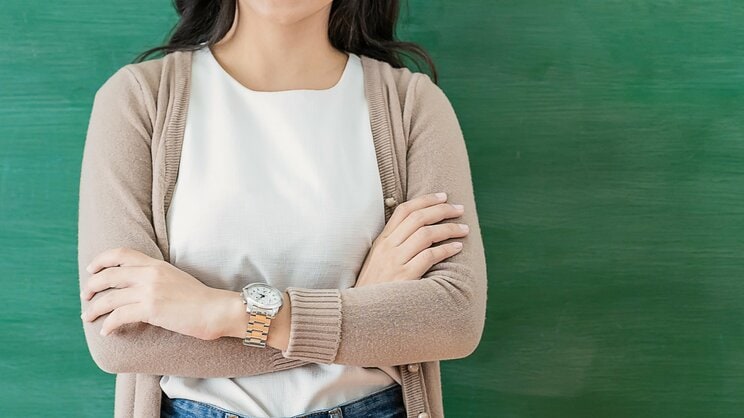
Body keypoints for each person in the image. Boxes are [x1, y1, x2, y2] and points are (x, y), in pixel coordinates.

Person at [77, 1, 488, 417]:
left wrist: (219, 312)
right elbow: (122, 337)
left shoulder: (410, 105)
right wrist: (358, 308)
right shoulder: (138, 99)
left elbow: (452, 317)